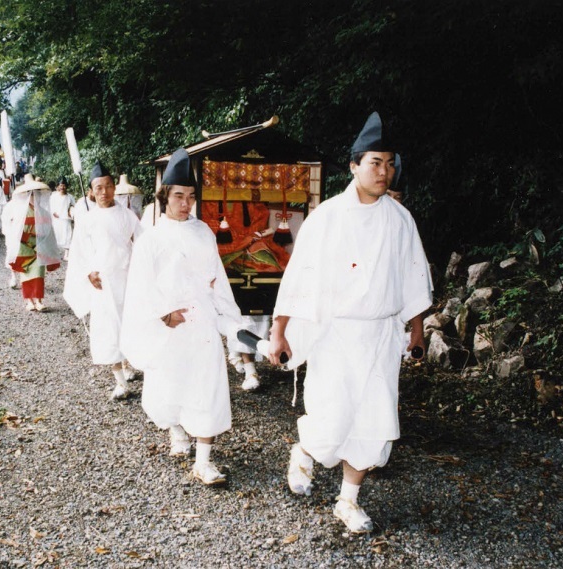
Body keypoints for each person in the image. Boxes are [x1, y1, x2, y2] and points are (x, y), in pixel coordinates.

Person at [267, 112, 433, 534]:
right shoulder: (328, 217)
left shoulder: (400, 220)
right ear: (354, 165)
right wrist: (280, 330)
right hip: (337, 333)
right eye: (375, 162)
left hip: (380, 334)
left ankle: (348, 500)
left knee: (375, 423)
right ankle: (305, 450)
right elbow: (299, 276)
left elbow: (412, 277)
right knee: (332, 418)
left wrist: (416, 329)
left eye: (390, 163)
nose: (384, 171)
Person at [120, 148, 242, 486]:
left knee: (209, 387)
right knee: (169, 385)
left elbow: (216, 277)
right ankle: (176, 429)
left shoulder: (204, 231)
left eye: (190, 196)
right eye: (178, 196)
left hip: (201, 323)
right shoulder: (152, 239)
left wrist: (231, 321)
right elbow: (141, 284)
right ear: (164, 197)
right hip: (170, 326)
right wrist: (163, 314)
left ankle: (204, 462)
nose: (185, 203)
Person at [64, 163, 142, 399]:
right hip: (103, 281)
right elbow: (79, 252)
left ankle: (129, 364)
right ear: (91, 191)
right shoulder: (86, 219)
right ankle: (120, 381)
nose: (105, 192)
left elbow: (142, 243)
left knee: (130, 323)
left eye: (109, 186)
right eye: (99, 188)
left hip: (127, 277)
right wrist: (89, 271)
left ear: (114, 187)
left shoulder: (127, 215)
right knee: (108, 328)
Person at [4, 173, 61, 311]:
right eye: (31, 194)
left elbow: (48, 232)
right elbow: (15, 232)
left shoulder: (43, 212)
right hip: (24, 247)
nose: (34, 197)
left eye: (36, 194)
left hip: (39, 247)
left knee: (39, 275)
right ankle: (29, 301)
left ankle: (39, 300)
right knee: (27, 275)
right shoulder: (19, 213)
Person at [50, 176, 76, 261]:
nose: (62, 187)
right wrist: (53, 212)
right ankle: (56, 254)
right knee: (56, 236)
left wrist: (71, 212)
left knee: (68, 236)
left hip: (66, 220)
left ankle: (66, 254)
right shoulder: (54, 196)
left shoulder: (70, 197)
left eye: (64, 185)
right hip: (56, 220)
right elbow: (50, 206)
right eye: (61, 185)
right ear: (58, 186)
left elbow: (73, 207)